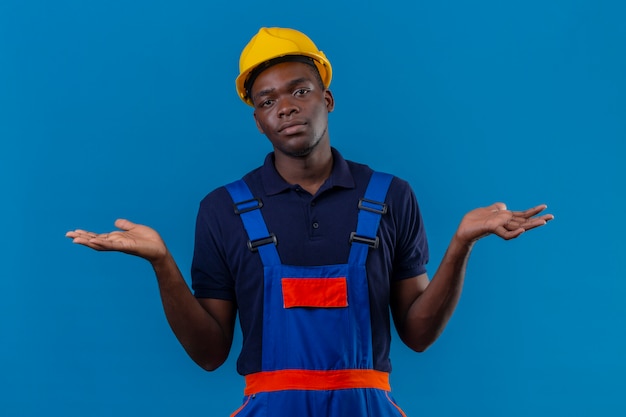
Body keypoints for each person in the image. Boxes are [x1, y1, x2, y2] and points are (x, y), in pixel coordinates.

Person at [66, 27, 553, 416]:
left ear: (327, 99)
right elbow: (210, 352)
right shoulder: (222, 209)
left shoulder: (389, 197)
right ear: (258, 121)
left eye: (300, 90)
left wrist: (462, 243)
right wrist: (161, 263)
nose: (286, 106)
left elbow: (418, 335)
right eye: (266, 100)